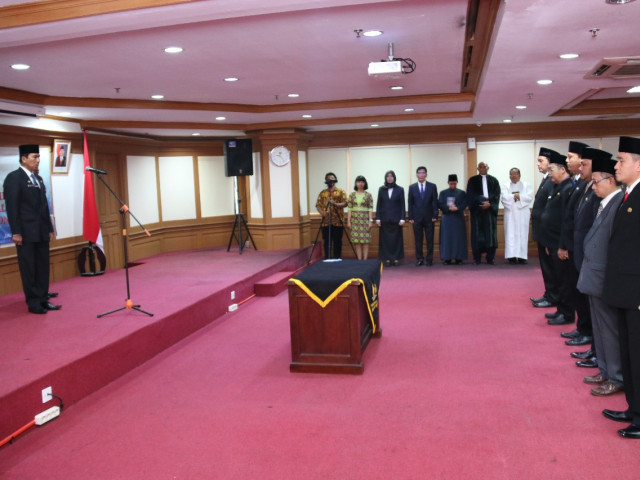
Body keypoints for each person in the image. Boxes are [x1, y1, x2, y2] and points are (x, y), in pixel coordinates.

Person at [601, 136, 640, 439]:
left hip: (636, 292)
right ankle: (634, 408)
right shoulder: (629, 193)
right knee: (628, 353)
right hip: (625, 290)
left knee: (638, 355)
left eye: (622, 160)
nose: (616, 165)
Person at [576, 149, 623, 396]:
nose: (593, 186)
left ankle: (616, 376)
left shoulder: (619, 203)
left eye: (597, 182)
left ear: (611, 180)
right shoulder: (604, 203)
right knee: (599, 328)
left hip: (604, 277)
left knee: (609, 330)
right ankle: (604, 370)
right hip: (594, 276)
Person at [3, 144, 61, 314]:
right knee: (29, 268)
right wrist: (16, 232)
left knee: (43, 267)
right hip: (26, 233)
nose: (38, 160)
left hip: (41, 231)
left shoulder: (38, 179)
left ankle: (43, 299)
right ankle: (33, 302)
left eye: (38, 157)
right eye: (34, 157)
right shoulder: (14, 178)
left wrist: (49, 229)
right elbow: (12, 208)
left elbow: (44, 206)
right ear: (23, 158)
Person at [537, 151, 574, 327]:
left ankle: (567, 313)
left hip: (560, 243)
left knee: (564, 280)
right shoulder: (557, 186)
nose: (550, 173)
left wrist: (562, 245)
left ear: (562, 169)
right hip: (552, 241)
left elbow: (567, 220)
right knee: (558, 278)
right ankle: (561, 309)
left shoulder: (568, 188)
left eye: (552, 169)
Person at [530, 148, 561, 308]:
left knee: (550, 267)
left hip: (547, 233)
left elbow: (550, 208)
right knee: (546, 267)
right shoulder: (546, 180)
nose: (538, 164)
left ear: (550, 163)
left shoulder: (552, 181)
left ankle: (553, 296)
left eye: (541, 161)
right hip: (542, 231)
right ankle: (549, 294)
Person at [466, 162, 500, 265]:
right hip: (477, 211)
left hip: (490, 211)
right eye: (480, 167)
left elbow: (497, 195)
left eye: (484, 166)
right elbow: (470, 195)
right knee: (477, 235)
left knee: (490, 235)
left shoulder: (494, 181)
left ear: (488, 168)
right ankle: (477, 258)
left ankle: (490, 258)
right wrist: (480, 204)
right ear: (478, 169)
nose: (482, 168)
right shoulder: (472, 180)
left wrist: (490, 204)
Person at [501, 167, 533, 264]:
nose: (513, 176)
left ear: (520, 175)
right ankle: (511, 256)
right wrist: (514, 196)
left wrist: (520, 197)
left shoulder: (526, 185)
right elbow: (503, 198)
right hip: (510, 213)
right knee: (510, 234)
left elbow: (530, 197)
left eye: (515, 174)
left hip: (522, 213)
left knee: (523, 234)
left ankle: (522, 256)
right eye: (511, 174)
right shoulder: (505, 185)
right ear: (509, 176)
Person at [407, 166, 438, 266]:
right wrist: (411, 217)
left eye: (423, 172)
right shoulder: (412, 187)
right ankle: (420, 258)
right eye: (419, 173)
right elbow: (410, 203)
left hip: (430, 218)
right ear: (416, 175)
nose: (421, 174)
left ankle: (429, 259)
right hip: (416, 218)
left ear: (426, 175)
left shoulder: (432, 186)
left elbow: (435, 202)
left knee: (430, 240)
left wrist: (435, 215)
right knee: (418, 240)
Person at [375, 170, 405, 266]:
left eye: (391, 176)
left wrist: (402, 218)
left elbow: (402, 205)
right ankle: (387, 258)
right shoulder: (381, 189)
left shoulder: (400, 189)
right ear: (385, 178)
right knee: (385, 240)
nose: (389, 178)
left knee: (396, 240)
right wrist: (378, 218)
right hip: (384, 219)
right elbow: (379, 204)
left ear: (394, 178)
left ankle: (396, 258)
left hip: (396, 219)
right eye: (388, 176)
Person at [316, 172, 347, 260]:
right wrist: (322, 212)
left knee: (337, 241)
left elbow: (346, 203)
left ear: (335, 180)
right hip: (326, 222)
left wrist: (336, 204)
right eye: (329, 178)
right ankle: (327, 258)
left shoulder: (341, 191)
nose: (331, 180)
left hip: (338, 221)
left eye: (332, 178)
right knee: (327, 241)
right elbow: (318, 205)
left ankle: (337, 258)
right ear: (326, 181)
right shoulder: (322, 193)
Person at [438, 174, 467, 265]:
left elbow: (465, 203)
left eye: (454, 183)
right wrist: (448, 208)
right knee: (447, 238)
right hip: (447, 218)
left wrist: (457, 208)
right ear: (448, 183)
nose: (453, 185)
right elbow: (440, 204)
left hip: (458, 218)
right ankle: (447, 258)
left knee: (459, 238)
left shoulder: (462, 193)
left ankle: (459, 258)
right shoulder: (443, 193)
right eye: (451, 183)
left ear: (457, 182)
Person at [347, 175, 374, 260]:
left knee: (366, 241)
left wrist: (370, 221)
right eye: (358, 182)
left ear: (365, 183)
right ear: (356, 183)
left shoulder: (368, 195)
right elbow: (350, 209)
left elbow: (370, 209)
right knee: (357, 242)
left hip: (365, 221)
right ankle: (359, 260)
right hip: (355, 221)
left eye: (362, 182)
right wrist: (348, 221)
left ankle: (365, 260)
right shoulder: (351, 195)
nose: (360, 183)